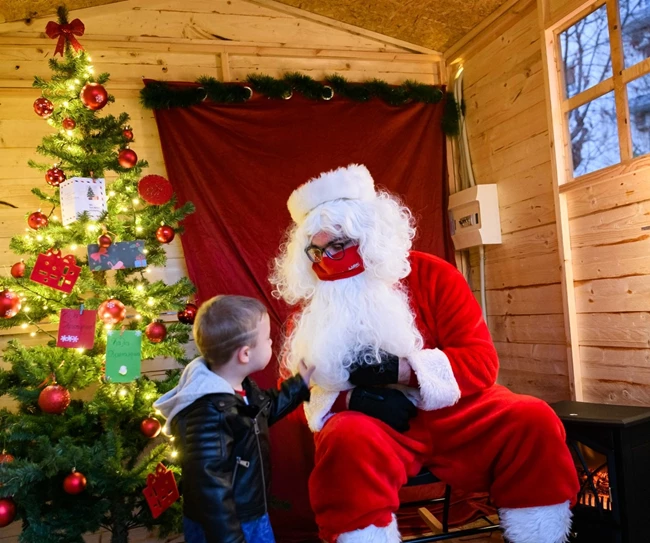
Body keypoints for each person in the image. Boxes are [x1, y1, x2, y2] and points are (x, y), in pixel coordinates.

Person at [270, 164, 579, 543]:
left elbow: (481, 362)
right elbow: (294, 389)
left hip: (455, 413)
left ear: (368, 237)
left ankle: (540, 537)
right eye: (315, 251)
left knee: (532, 418)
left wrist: (404, 370)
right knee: (344, 441)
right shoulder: (311, 311)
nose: (325, 261)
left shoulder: (434, 275)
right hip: (374, 426)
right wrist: (352, 398)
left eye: (338, 245)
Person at [154, 295, 314, 543]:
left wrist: (299, 385)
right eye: (267, 338)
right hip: (230, 526)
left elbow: (262, 411)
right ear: (245, 354)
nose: (272, 341)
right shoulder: (210, 413)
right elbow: (210, 490)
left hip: (249, 513)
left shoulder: (239, 388)